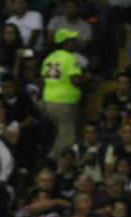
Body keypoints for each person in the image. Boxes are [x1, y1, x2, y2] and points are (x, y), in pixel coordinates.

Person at [41, 29, 86, 159]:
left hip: (49, 101)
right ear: (64, 43)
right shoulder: (70, 58)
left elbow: (43, 78)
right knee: (68, 137)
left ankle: (53, 158)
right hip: (65, 102)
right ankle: (54, 160)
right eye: (72, 41)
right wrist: (87, 78)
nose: (75, 43)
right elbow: (75, 80)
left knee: (62, 133)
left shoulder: (49, 58)